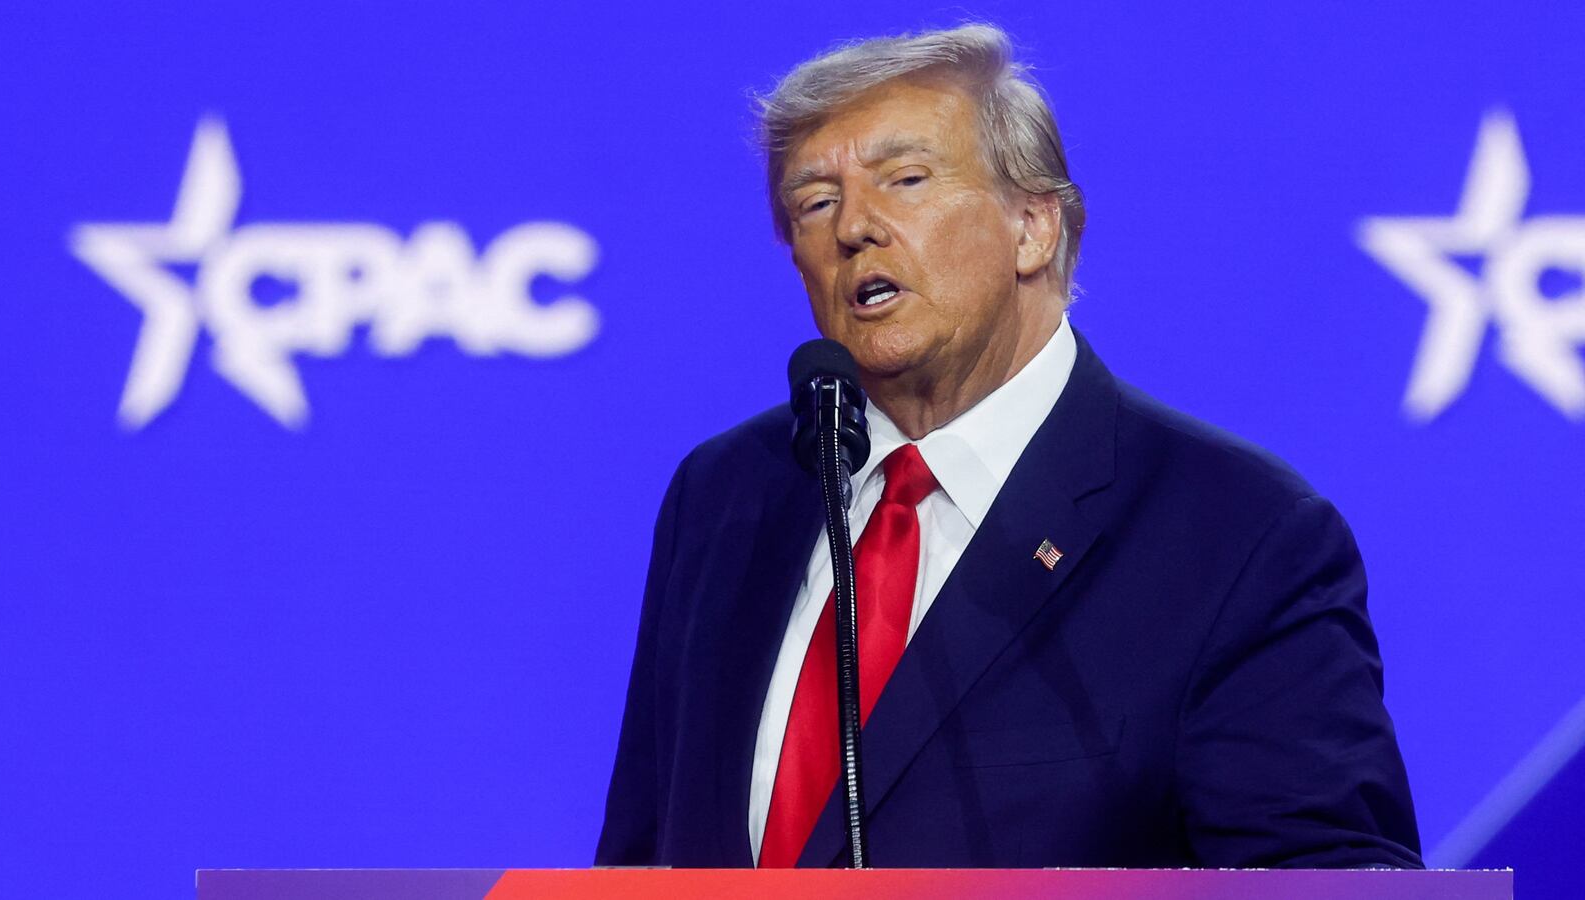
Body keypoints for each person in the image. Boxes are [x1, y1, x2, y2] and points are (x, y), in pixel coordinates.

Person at [596, 23, 1421, 869]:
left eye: (905, 179)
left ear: (1032, 226)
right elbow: (638, 861)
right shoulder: (726, 494)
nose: (854, 229)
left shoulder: (1237, 535)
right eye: (815, 202)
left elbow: (1331, 878)